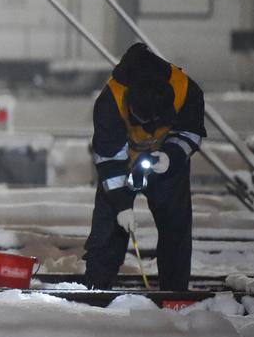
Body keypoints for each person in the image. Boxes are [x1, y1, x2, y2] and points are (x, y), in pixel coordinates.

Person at [84, 43, 206, 290]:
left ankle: (174, 293)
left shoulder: (186, 90)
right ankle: (96, 289)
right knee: (107, 230)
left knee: (175, 229)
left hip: (166, 165)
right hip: (121, 165)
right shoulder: (110, 101)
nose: (149, 131)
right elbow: (109, 159)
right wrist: (120, 204)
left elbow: (190, 132)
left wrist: (171, 157)